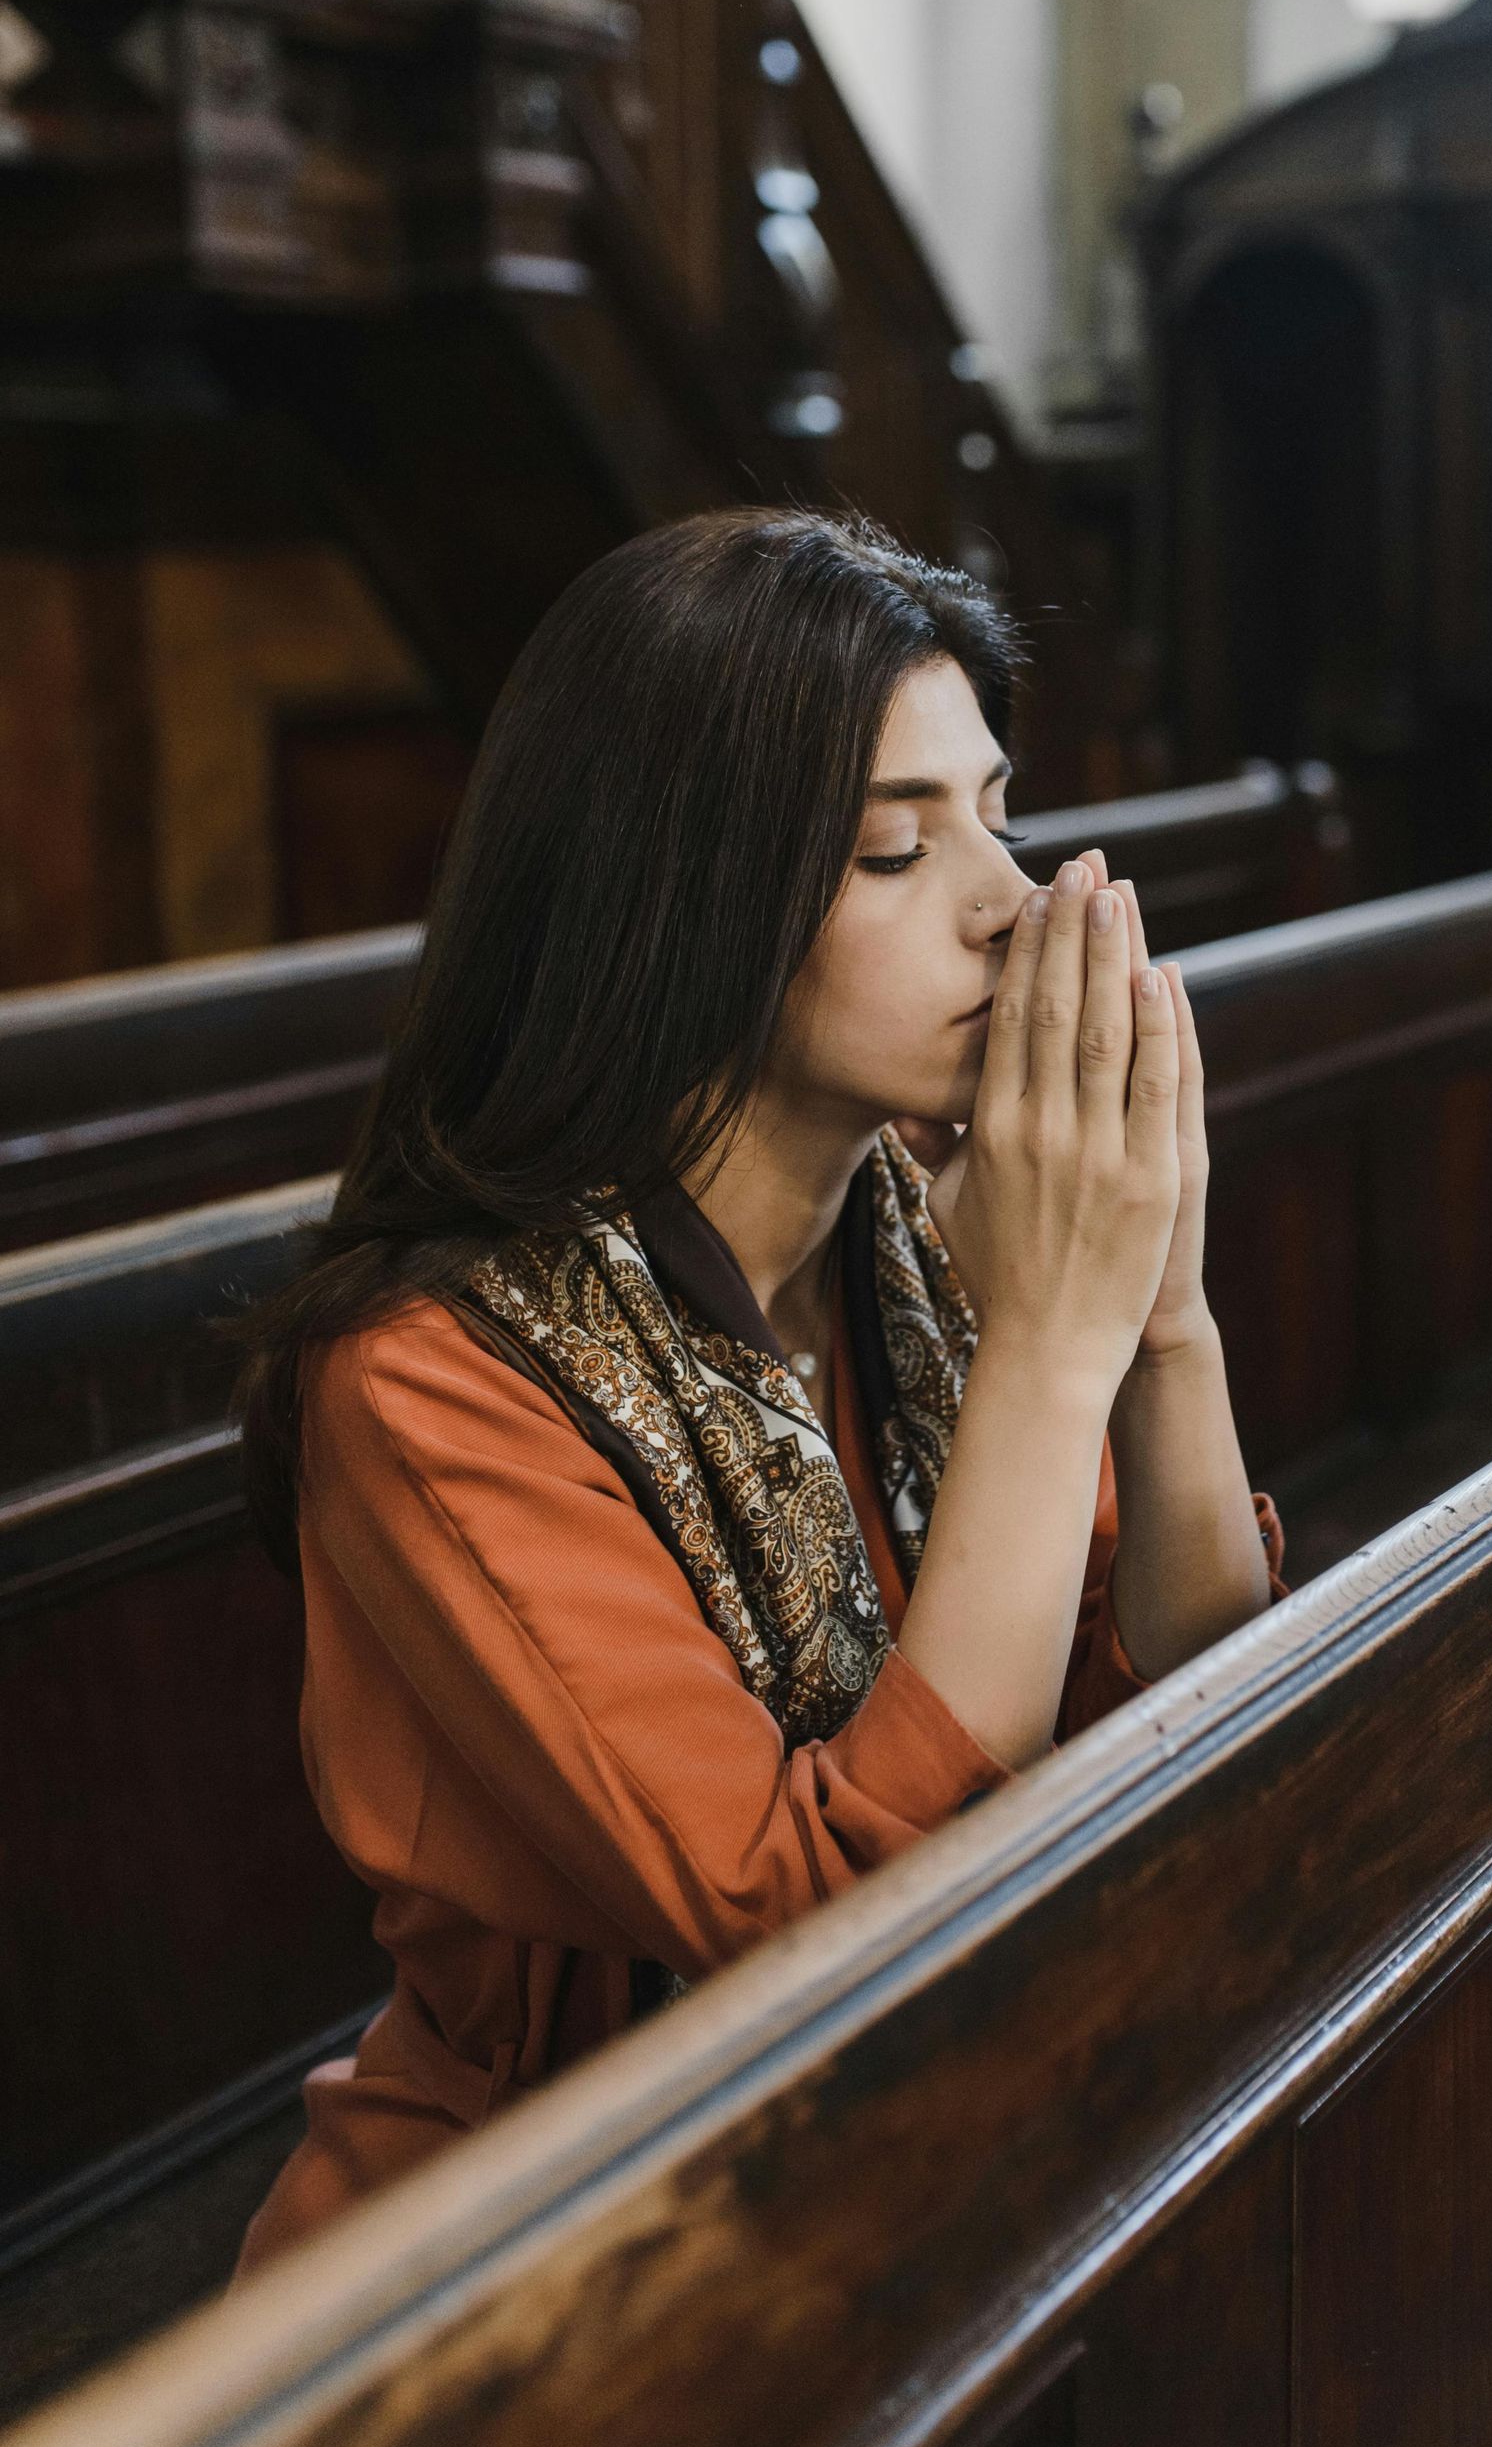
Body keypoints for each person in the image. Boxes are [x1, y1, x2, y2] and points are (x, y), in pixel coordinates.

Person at [232, 509, 1284, 2273]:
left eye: (1000, 819)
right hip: (547, 2255)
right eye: (895, 850)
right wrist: (1050, 1350)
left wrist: (1164, 1325)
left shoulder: (926, 1234)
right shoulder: (430, 1379)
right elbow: (818, 1928)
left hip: (929, 2160)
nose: (1012, 908)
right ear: (683, 892)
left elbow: (1169, 1708)